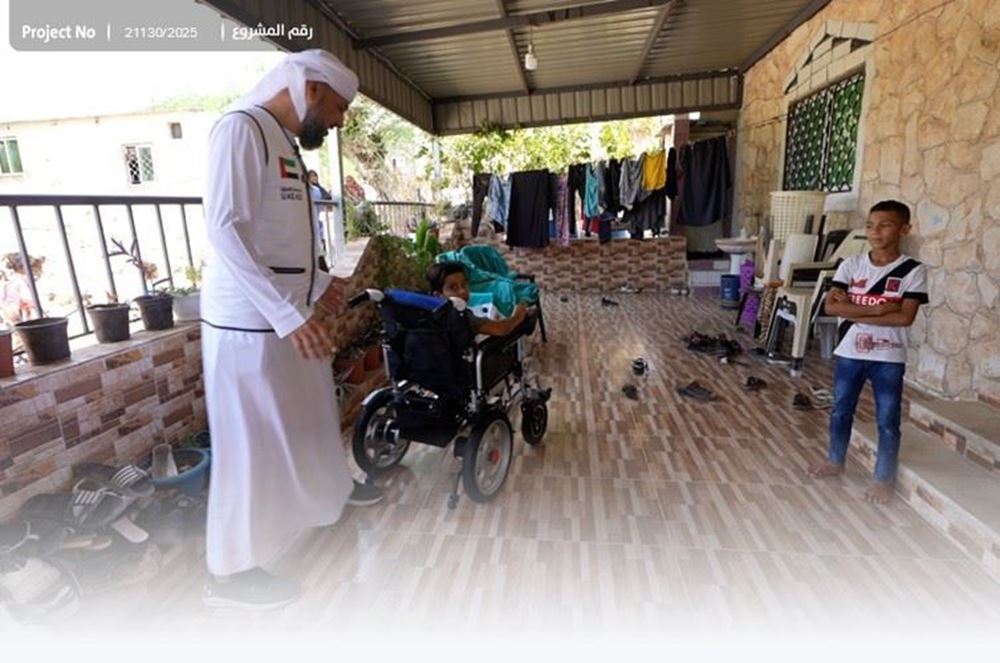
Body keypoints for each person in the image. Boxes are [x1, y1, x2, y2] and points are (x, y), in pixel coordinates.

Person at [200, 49, 381, 610]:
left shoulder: (279, 139)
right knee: (248, 443)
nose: (340, 120)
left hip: (290, 315)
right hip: (251, 322)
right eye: (339, 106)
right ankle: (230, 571)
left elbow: (283, 237)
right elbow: (224, 229)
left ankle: (329, 498)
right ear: (309, 87)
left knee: (312, 418)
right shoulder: (239, 129)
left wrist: (320, 282)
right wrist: (287, 313)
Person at [808, 200, 928, 504]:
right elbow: (831, 306)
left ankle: (882, 479)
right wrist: (881, 309)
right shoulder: (851, 265)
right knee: (840, 410)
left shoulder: (912, 271)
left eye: (885, 225)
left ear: (904, 229)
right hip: (849, 352)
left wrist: (854, 310)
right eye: (871, 225)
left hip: (888, 357)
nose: (875, 232)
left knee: (887, 420)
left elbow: (905, 317)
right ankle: (836, 460)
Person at [426, 262, 527, 337]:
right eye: (453, 287)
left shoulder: (426, 309)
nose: (463, 291)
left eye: (464, 284)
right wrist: (519, 313)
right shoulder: (459, 317)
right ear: (438, 295)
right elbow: (502, 329)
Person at [307, 170, 332, 271]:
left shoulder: (317, 190)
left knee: (319, 246)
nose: (314, 178)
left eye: (315, 176)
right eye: (311, 176)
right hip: (310, 224)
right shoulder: (309, 190)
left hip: (317, 223)